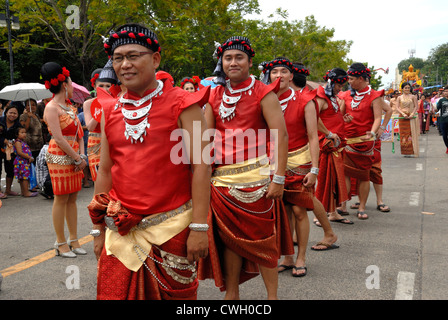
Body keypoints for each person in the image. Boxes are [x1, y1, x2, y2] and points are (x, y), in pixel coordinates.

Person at [87, 23, 211, 300]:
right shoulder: (110, 109)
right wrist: (96, 230)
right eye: (118, 58)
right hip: (120, 228)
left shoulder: (183, 104)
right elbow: (105, 171)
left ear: (155, 59)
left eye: (133, 56)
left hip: (173, 228)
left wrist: (199, 228)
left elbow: (201, 166)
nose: (125, 65)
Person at [198, 36, 292, 300]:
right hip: (221, 183)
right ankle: (232, 295)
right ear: (221, 63)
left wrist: (279, 178)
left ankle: (272, 297)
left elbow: (280, 135)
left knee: (264, 242)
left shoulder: (264, 92)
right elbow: (206, 137)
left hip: (258, 182)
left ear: (250, 62)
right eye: (227, 58)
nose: (233, 62)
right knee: (229, 242)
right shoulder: (214, 94)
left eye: (239, 57)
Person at [261, 58, 340, 278]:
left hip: (299, 161)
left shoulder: (306, 100)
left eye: (283, 72)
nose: (279, 76)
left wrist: (315, 169)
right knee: (282, 211)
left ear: (291, 75)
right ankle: (287, 256)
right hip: (271, 162)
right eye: (274, 72)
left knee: (298, 210)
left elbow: (313, 136)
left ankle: (301, 257)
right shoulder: (263, 99)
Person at [41, 62, 88, 258]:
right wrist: (77, 157)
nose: (72, 85)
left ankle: (74, 239)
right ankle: (60, 242)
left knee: (73, 198)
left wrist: (82, 156)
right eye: (70, 82)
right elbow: (58, 138)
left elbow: (79, 134)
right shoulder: (51, 107)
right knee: (61, 198)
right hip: (60, 156)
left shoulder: (69, 107)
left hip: (76, 156)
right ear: (64, 84)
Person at [339, 63, 384, 220]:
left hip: (365, 141)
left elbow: (378, 117)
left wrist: (373, 132)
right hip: (348, 140)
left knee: (364, 175)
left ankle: (362, 206)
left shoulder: (375, 96)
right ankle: (343, 205)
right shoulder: (345, 96)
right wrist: (343, 119)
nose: (348, 81)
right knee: (345, 173)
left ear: (360, 78)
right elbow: (339, 116)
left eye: (351, 79)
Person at [315, 68, 353, 224]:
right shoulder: (320, 97)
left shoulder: (331, 96)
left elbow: (330, 117)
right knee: (325, 181)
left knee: (334, 181)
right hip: (326, 145)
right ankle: (321, 215)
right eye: (339, 85)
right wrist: (329, 133)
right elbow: (313, 118)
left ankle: (332, 213)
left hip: (336, 144)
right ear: (332, 82)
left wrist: (343, 119)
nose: (341, 88)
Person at [82, 60, 118, 182]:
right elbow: (90, 127)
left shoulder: (117, 102)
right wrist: (101, 109)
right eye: (101, 86)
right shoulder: (88, 103)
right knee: (99, 180)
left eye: (108, 86)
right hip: (95, 143)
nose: (104, 88)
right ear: (95, 86)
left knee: (114, 180)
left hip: (112, 142)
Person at [0, 104, 23, 197]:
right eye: (10, 112)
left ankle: (8, 190)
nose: (12, 115)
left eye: (15, 113)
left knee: (10, 169)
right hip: (0, 147)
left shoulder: (18, 124)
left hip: (10, 150)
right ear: (6, 113)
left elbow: (20, 134)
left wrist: (14, 142)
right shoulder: (0, 121)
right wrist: (3, 140)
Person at [13, 127, 38, 197]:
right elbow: (19, 152)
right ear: (17, 134)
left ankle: (23, 192)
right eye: (22, 132)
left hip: (24, 162)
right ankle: (26, 192)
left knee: (22, 178)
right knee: (25, 178)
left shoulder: (22, 142)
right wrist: (29, 157)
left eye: (25, 132)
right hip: (22, 162)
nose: (24, 134)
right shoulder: (18, 142)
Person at [396, 82, 419, 157]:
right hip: (402, 117)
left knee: (410, 134)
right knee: (403, 134)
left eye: (408, 88)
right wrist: (403, 114)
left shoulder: (413, 97)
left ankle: (411, 151)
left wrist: (412, 114)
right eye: (405, 88)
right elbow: (397, 107)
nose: (407, 89)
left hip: (411, 117)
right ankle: (405, 151)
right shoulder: (399, 97)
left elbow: (416, 106)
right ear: (402, 89)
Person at [20, 98, 45, 164]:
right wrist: (29, 117)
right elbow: (24, 129)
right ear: (25, 107)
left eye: (33, 105)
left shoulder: (37, 116)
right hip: (29, 146)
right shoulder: (23, 116)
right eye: (28, 105)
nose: (31, 107)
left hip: (39, 145)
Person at [436, 86, 448, 153]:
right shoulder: (441, 100)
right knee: (444, 136)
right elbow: (437, 108)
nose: (446, 93)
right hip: (443, 120)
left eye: (447, 91)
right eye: (445, 91)